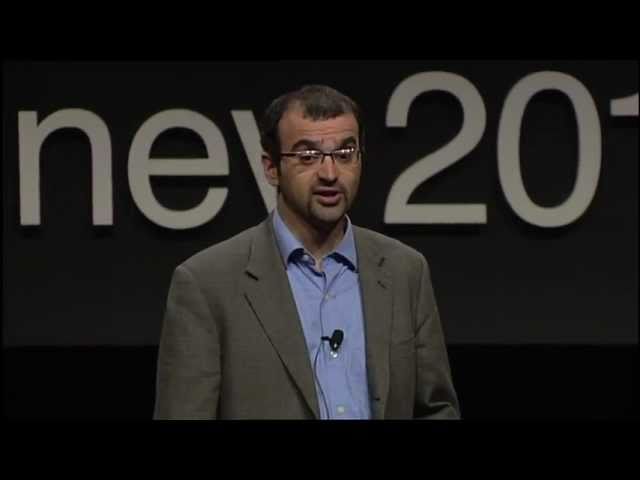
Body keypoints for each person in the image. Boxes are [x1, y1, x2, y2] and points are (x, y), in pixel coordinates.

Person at [153, 84, 460, 419]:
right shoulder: (206, 285)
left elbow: (437, 409)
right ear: (272, 168)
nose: (330, 174)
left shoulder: (405, 272)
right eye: (308, 156)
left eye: (345, 153)